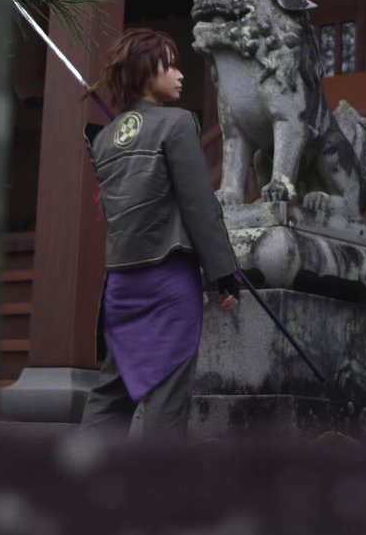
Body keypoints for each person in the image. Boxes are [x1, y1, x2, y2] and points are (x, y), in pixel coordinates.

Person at [79, 27, 242, 439]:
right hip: (168, 280)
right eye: (169, 65)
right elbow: (199, 205)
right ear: (144, 71)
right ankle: (156, 476)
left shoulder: (103, 139)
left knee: (111, 393)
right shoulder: (177, 123)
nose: (179, 74)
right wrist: (225, 273)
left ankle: (88, 470)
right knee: (168, 392)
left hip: (120, 285)